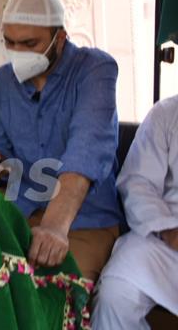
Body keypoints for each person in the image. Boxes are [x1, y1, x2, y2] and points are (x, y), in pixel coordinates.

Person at [0, 0, 122, 281]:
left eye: (30, 43)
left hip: (86, 221)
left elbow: (86, 151)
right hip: (23, 215)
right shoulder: (3, 83)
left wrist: (55, 227)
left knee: (62, 291)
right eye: (10, 42)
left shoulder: (94, 69)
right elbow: (1, 155)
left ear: (59, 38)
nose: (18, 51)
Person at [92, 95, 178, 329]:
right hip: (166, 242)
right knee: (116, 293)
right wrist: (168, 230)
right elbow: (138, 181)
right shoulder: (166, 113)